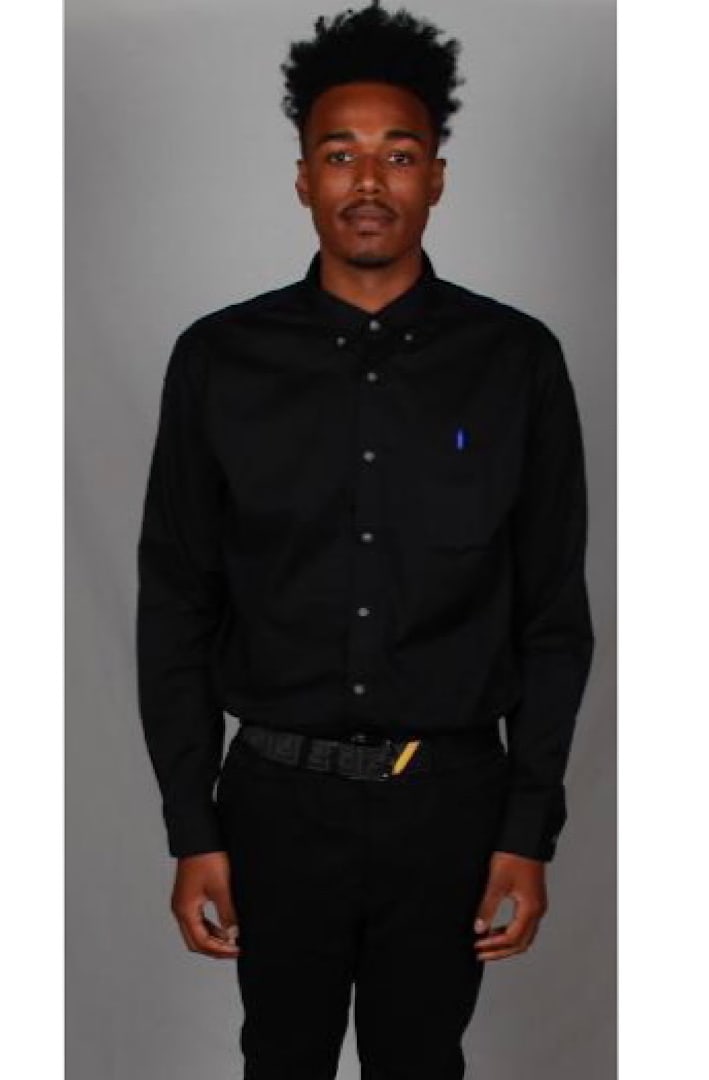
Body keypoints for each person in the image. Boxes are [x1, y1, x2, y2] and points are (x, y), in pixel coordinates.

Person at [135, 2, 595, 1076]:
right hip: (273, 805)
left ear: (437, 177)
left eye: (398, 154)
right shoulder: (218, 360)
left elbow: (550, 617)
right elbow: (177, 606)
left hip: (451, 804)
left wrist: (524, 829)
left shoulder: (516, 362)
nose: (369, 181)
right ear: (303, 178)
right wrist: (193, 828)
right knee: (280, 1062)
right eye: (340, 155)